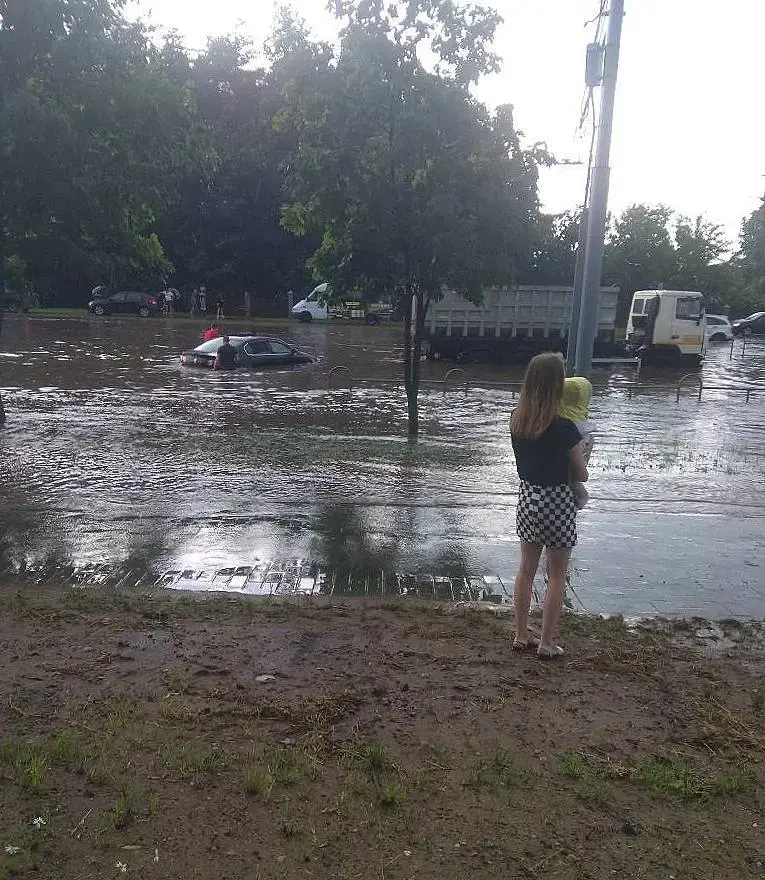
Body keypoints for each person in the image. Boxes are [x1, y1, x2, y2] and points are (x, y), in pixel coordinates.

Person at [510, 352, 588, 660]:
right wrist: (584, 453)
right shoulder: (565, 428)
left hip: (528, 499)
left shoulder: (517, 421)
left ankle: (519, 634)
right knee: (556, 574)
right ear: (557, 385)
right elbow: (580, 473)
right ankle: (546, 642)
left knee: (526, 569)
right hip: (557, 504)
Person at [558, 376, 596, 509]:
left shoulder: (555, 425)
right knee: (579, 487)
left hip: (540, 494)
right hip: (561, 497)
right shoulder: (582, 430)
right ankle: (579, 501)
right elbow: (581, 475)